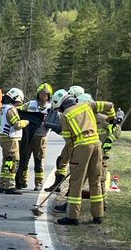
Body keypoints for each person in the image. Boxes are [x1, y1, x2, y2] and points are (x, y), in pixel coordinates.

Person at [47, 89, 115, 225]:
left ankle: (73, 217)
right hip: (97, 144)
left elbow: (68, 140)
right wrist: (112, 118)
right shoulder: (87, 105)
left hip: (81, 147)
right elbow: (109, 105)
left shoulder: (65, 116)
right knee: (95, 180)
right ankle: (98, 215)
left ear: (60, 105)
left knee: (76, 182)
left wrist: (73, 159)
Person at [17, 83, 53, 190]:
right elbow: (18, 110)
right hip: (28, 137)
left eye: (46, 94)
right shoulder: (30, 104)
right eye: (41, 94)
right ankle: (22, 180)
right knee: (24, 159)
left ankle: (39, 182)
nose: (43, 96)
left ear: (49, 96)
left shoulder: (51, 107)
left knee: (39, 160)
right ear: (38, 94)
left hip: (41, 137)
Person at [0, 89, 28, 194]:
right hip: (11, 139)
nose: (19, 103)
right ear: (15, 98)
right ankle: (10, 186)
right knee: (13, 161)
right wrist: (26, 122)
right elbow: (17, 125)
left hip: (4, 139)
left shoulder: (2, 108)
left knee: (6, 161)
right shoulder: (11, 109)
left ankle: (3, 184)